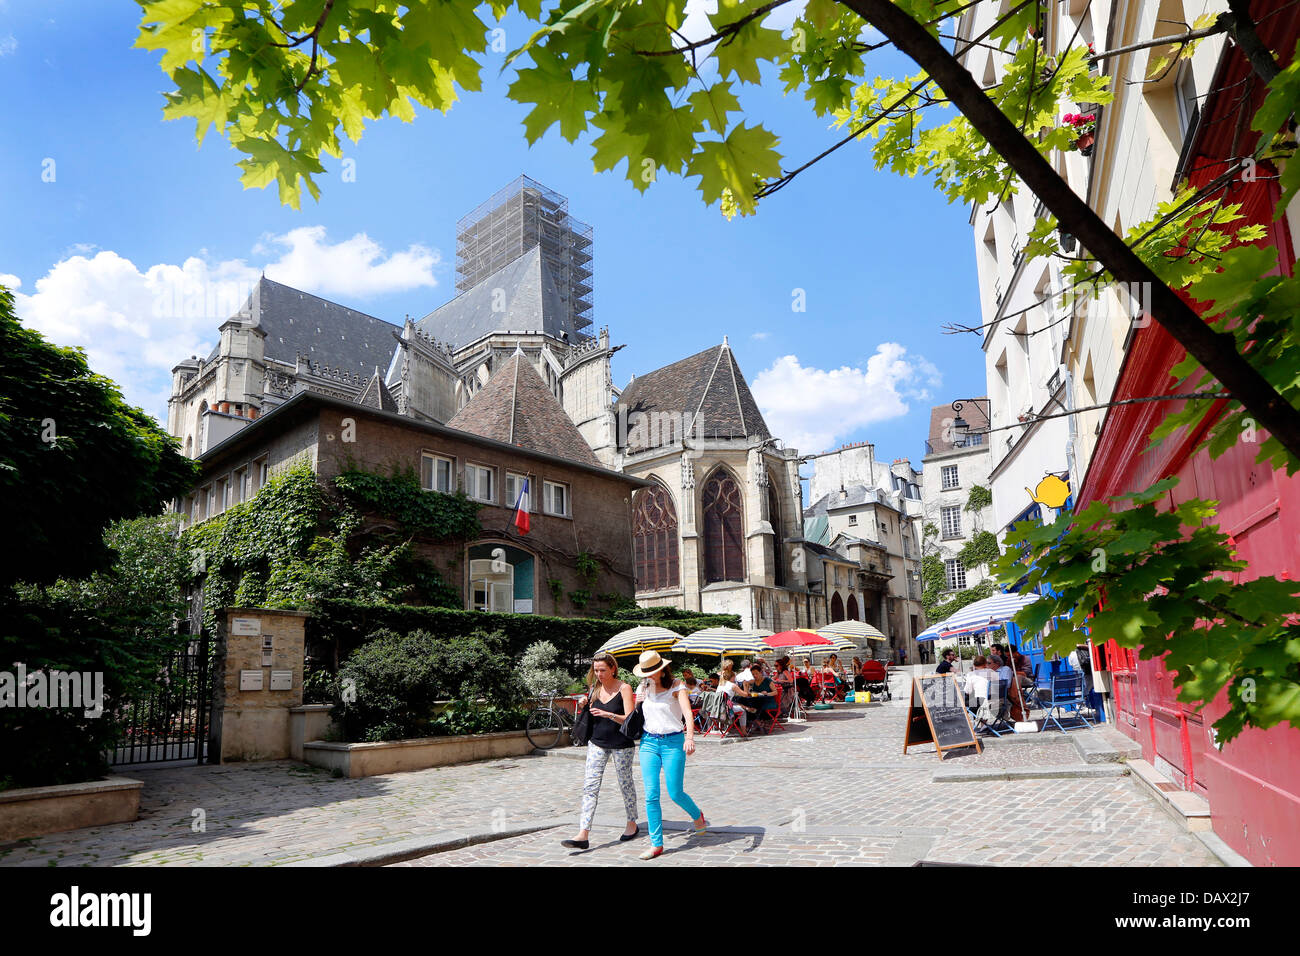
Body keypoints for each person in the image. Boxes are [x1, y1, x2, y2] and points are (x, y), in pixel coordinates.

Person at [632, 650, 707, 860]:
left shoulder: (677, 686)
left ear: (662, 669)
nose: (650, 676)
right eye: (646, 672)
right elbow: (637, 715)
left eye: (653, 671)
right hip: (648, 743)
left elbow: (687, 714)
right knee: (651, 795)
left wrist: (690, 737)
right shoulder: (643, 687)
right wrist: (638, 702)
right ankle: (657, 844)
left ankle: (697, 815)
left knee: (675, 793)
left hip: (673, 742)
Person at [561, 652, 639, 850]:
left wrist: (608, 714)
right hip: (597, 742)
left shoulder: (624, 688)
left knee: (625, 784)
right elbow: (589, 716)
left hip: (621, 744)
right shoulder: (594, 689)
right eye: (595, 670)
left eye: (602, 670)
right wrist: (583, 706)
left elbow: (629, 719)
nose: (598, 674)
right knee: (590, 787)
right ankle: (583, 833)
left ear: (613, 668)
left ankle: (632, 823)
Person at [716, 661, 754, 730]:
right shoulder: (733, 685)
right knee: (743, 711)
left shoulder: (721, 684)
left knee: (738, 704)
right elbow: (745, 695)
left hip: (717, 707)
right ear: (732, 677)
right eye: (734, 677)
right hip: (725, 709)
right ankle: (743, 731)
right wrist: (745, 685)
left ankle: (747, 708)